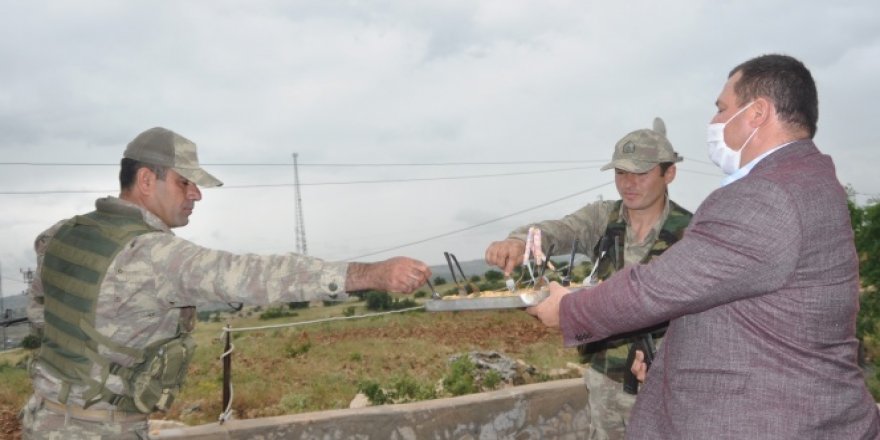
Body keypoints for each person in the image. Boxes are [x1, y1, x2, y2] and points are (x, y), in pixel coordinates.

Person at [528, 54, 880, 438]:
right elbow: (747, 313)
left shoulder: (764, 196)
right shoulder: (807, 180)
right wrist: (670, 361)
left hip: (767, 420)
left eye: (721, 109)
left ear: (757, 112)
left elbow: (657, 288)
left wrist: (569, 309)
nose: (714, 123)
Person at [20, 127, 432, 439]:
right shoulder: (151, 256)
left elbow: (40, 314)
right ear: (146, 181)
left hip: (42, 420)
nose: (196, 194)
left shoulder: (60, 235)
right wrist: (369, 275)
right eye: (185, 181)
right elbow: (254, 277)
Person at [484, 118, 692, 440]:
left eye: (642, 172)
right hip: (604, 382)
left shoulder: (693, 233)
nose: (628, 183)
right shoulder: (602, 218)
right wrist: (518, 241)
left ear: (669, 174)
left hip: (661, 386)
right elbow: (558, 231)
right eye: (621, 173)